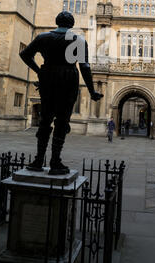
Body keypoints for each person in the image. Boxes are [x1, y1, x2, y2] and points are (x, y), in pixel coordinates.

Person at [19, 11, 103, 175]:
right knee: (62, 120)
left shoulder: (43, 37)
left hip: (48, 76)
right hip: (68, 78)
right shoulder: (78, 39)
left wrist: (39, 71)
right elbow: (84, 67)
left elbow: (25, 54)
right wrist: (92, 90)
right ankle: (55, 161)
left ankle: (38, 160)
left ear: (57, 21)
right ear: (71, 24)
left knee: (45, 119)